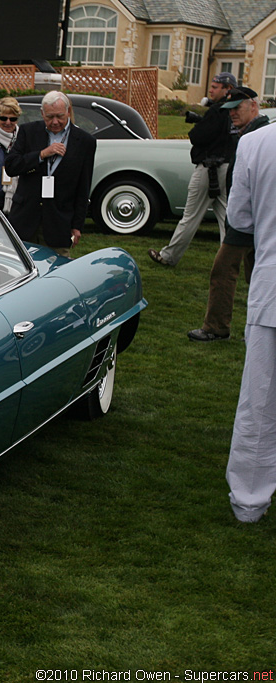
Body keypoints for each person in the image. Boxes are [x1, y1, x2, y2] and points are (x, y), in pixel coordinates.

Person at [224, 116, 276, 523]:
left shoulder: (257, 143)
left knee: (260, 401)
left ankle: (249, 502)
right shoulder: (256, 142)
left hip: (271, 287)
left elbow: (240, 219)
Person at [187, 88, 270, 343]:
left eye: (237, 107)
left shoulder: (255, 137)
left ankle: (217, 327)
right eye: (230, 109)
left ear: (253, 106)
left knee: (224, 271)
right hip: (256, 219)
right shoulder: (250, 134)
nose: (232, 113)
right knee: (257, 274)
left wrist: (239, 220)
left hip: (250, 221)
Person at [148, 72, 237, 267]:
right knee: (225, 218)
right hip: (226, 168)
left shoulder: (217, 111)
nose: (211, 90)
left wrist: (201, 123)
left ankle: (169, 256)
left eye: (215, 87)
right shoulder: (233, 112)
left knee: (190, 217)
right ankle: (229, 261)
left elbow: (197, 136)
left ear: (227, 89)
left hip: (209, 168)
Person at [3, 90, 96, 258]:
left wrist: (77, 226)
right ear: (42, 113)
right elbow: (11, 166)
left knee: (55, 274)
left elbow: (84, 186)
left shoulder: (85, 141)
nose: (55, 122)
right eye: (49, 117)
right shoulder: (27, 132)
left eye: (60, 116)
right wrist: (41, 155)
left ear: (68, 112)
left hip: (59, 223)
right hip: (24, 219)